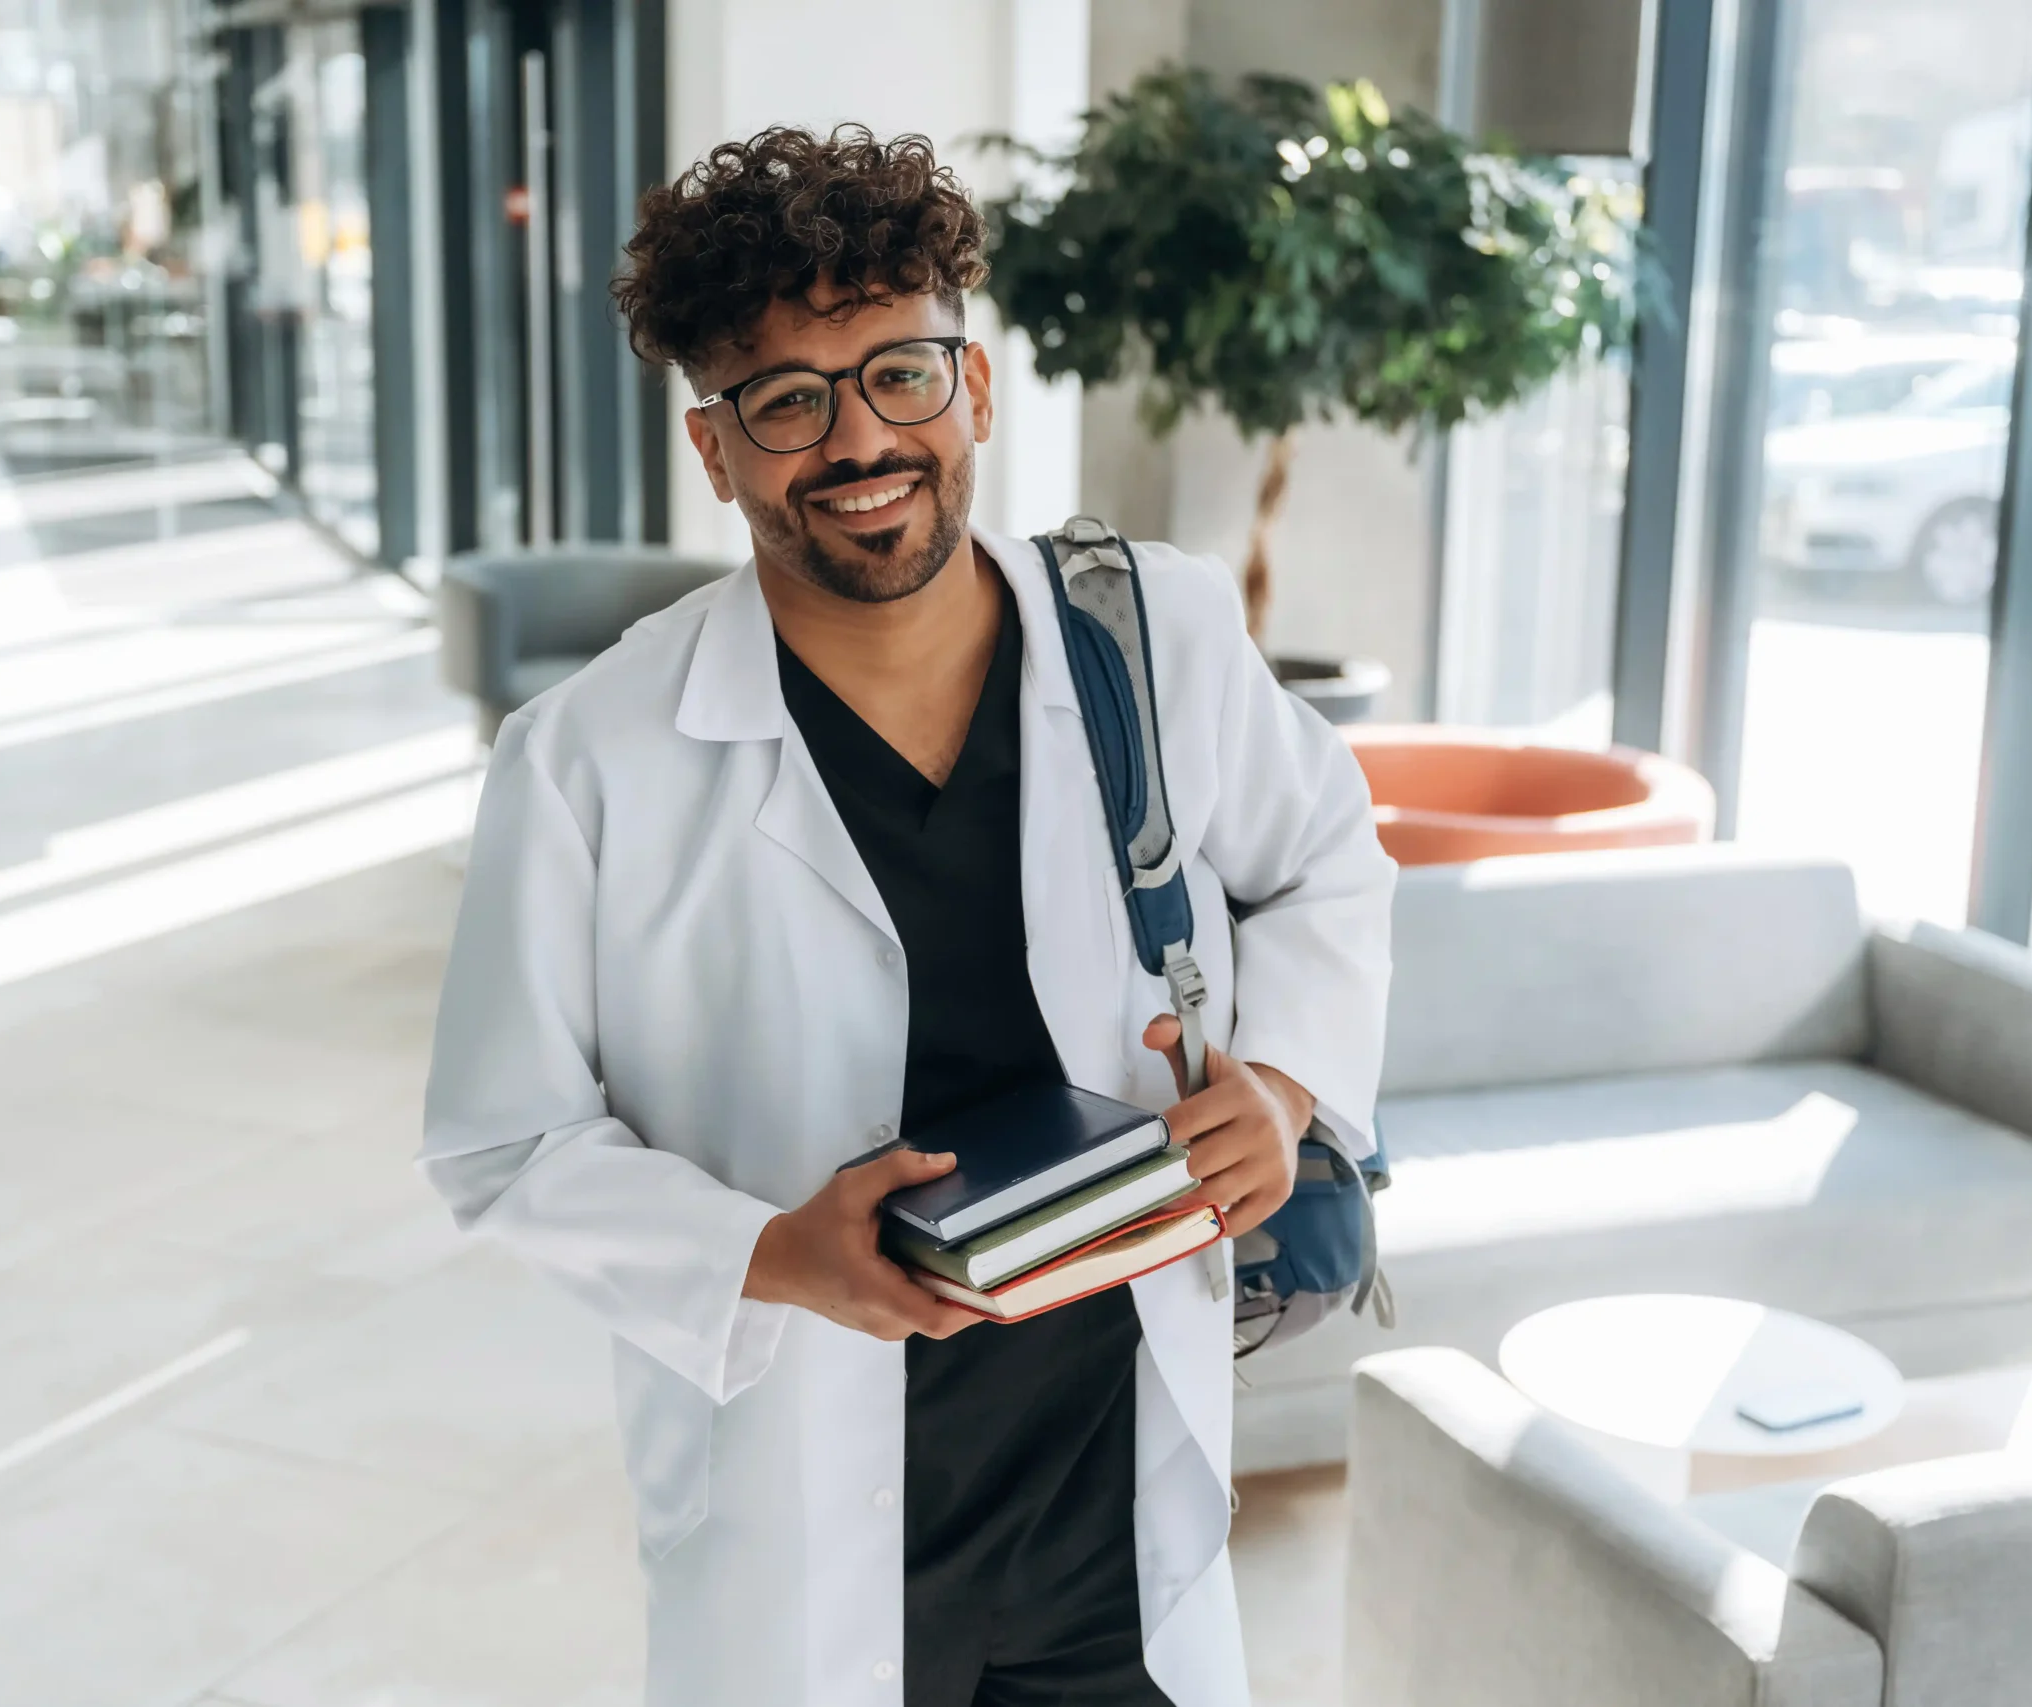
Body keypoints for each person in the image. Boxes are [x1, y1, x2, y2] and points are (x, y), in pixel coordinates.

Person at [421, 125, 1392, 1707]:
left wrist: (1280, 1084)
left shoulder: (1157, 637)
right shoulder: (590, 758)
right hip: (816, 1539)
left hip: (1120, 1519)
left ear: (979, 388)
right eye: (787, 399)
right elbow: (501, 1141)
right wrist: (766, 1252)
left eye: (899, 372)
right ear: (715, 450)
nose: (859, 436)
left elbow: (1327, 862)